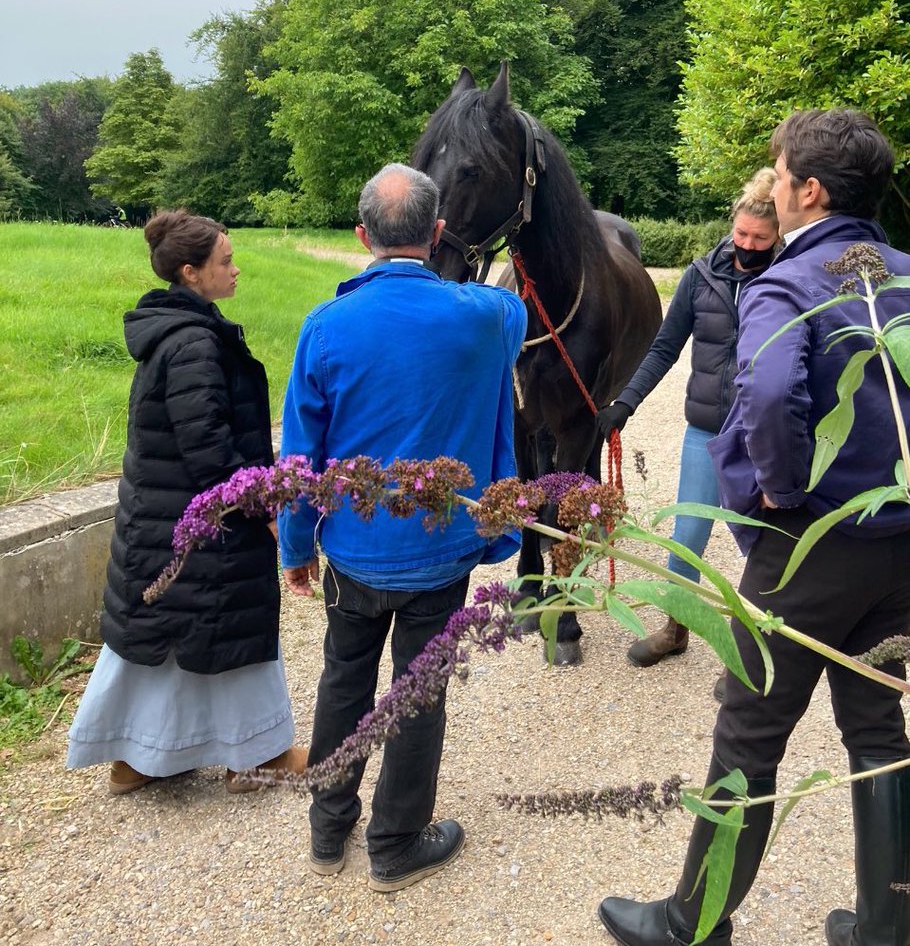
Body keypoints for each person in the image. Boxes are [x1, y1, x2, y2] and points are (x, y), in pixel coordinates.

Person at [597, 109, 910, 946]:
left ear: (809, 190)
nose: (770, 186)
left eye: (776, 173)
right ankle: (888, 924)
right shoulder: (907, 276)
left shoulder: (788, 283)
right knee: (878, 726)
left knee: (750, 728)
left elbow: (770, 396)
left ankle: (692, 923)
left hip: (809, 547)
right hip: (899, 544)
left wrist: (777, 489)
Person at [279, 163, 526, 892]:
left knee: (343, 682)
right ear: (440, 232)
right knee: (419, 694)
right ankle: (395, 843)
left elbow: (299, 459)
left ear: (361, 235)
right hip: (441, 555)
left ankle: (329, 831)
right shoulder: (487, 316)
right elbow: (503, 296)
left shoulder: (324, 327)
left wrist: (296, 548)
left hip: (353, 553)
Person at [67, 211, 307, 794]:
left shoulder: (177, 332)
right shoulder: (194, 343)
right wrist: (265, 505)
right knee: (227, 631)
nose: (236, 269)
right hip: (199, 522)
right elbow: (209, 453)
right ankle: (255, 755)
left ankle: (137, 758)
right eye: (225, 261)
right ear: (190, 272)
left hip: (164, 521)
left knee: (166, 641)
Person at [596, 168, 779, 671]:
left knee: (765, 546)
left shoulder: (789, 279)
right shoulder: (702, 275)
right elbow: (662, 349)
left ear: (777, 237)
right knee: (688, 537)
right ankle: (676, 628)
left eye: (760, 239)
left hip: (764, 435)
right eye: (741, 234)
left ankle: (755, 651)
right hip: (705, 428)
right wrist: (624, 402)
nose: (747, 245)